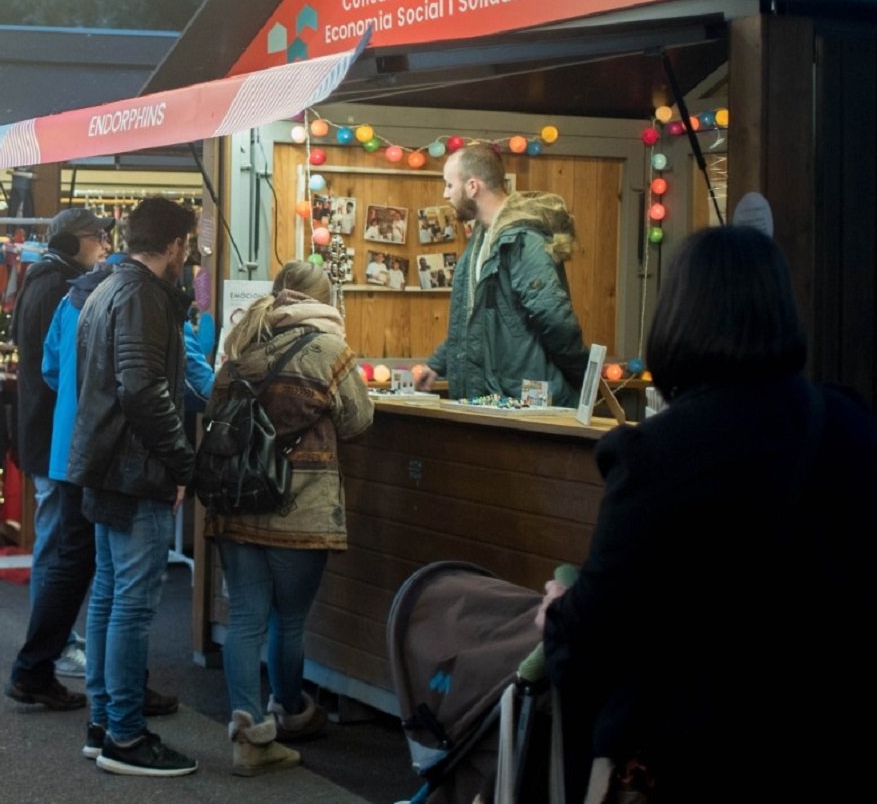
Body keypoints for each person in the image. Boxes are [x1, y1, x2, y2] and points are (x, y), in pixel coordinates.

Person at [538, 227, 877, 801]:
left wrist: (556, 613)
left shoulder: (658, 451)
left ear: (678, 315)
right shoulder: (848, 426)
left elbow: (599, 623)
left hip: (726, 756)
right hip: (862, 744)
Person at [206, 261, 374, 776]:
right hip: (300, 506)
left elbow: (216, 407)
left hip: (237, 503)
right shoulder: (328, 349)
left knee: (247, 620)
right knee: (289, 619)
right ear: (323, 300)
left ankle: (249, 735)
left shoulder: (242, 342)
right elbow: (357, 420)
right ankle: (291, 712)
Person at [69, 197, 201, 777]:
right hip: (132, 468)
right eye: (188, 247)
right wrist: (182, 463)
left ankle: (106, 723)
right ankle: (123, 732)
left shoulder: (105, 288)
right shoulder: (142, 295)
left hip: (104, 463)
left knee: (110, 598)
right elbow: (144, 391)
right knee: (130, 605)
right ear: (176, 245)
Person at [4, 208, 116, 710]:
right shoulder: (62, 288)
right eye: (97, 237)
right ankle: (48, 649)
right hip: (59, 435)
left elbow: (48, 365)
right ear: (75, 241)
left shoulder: (39, 280)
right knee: (64, 551)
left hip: (48, 431)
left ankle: (43, 653)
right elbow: (65, 369)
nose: (103, 245)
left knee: (61, 548)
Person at [412, 144, 587, 403]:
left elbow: (553, 317)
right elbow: (475, 319)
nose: (445, 194)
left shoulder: (523, 238)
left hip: (524, 403)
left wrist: (581, 376)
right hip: (493, 399)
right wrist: (437, 365)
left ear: (473, 186)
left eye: (449, 185)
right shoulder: (482, 239)